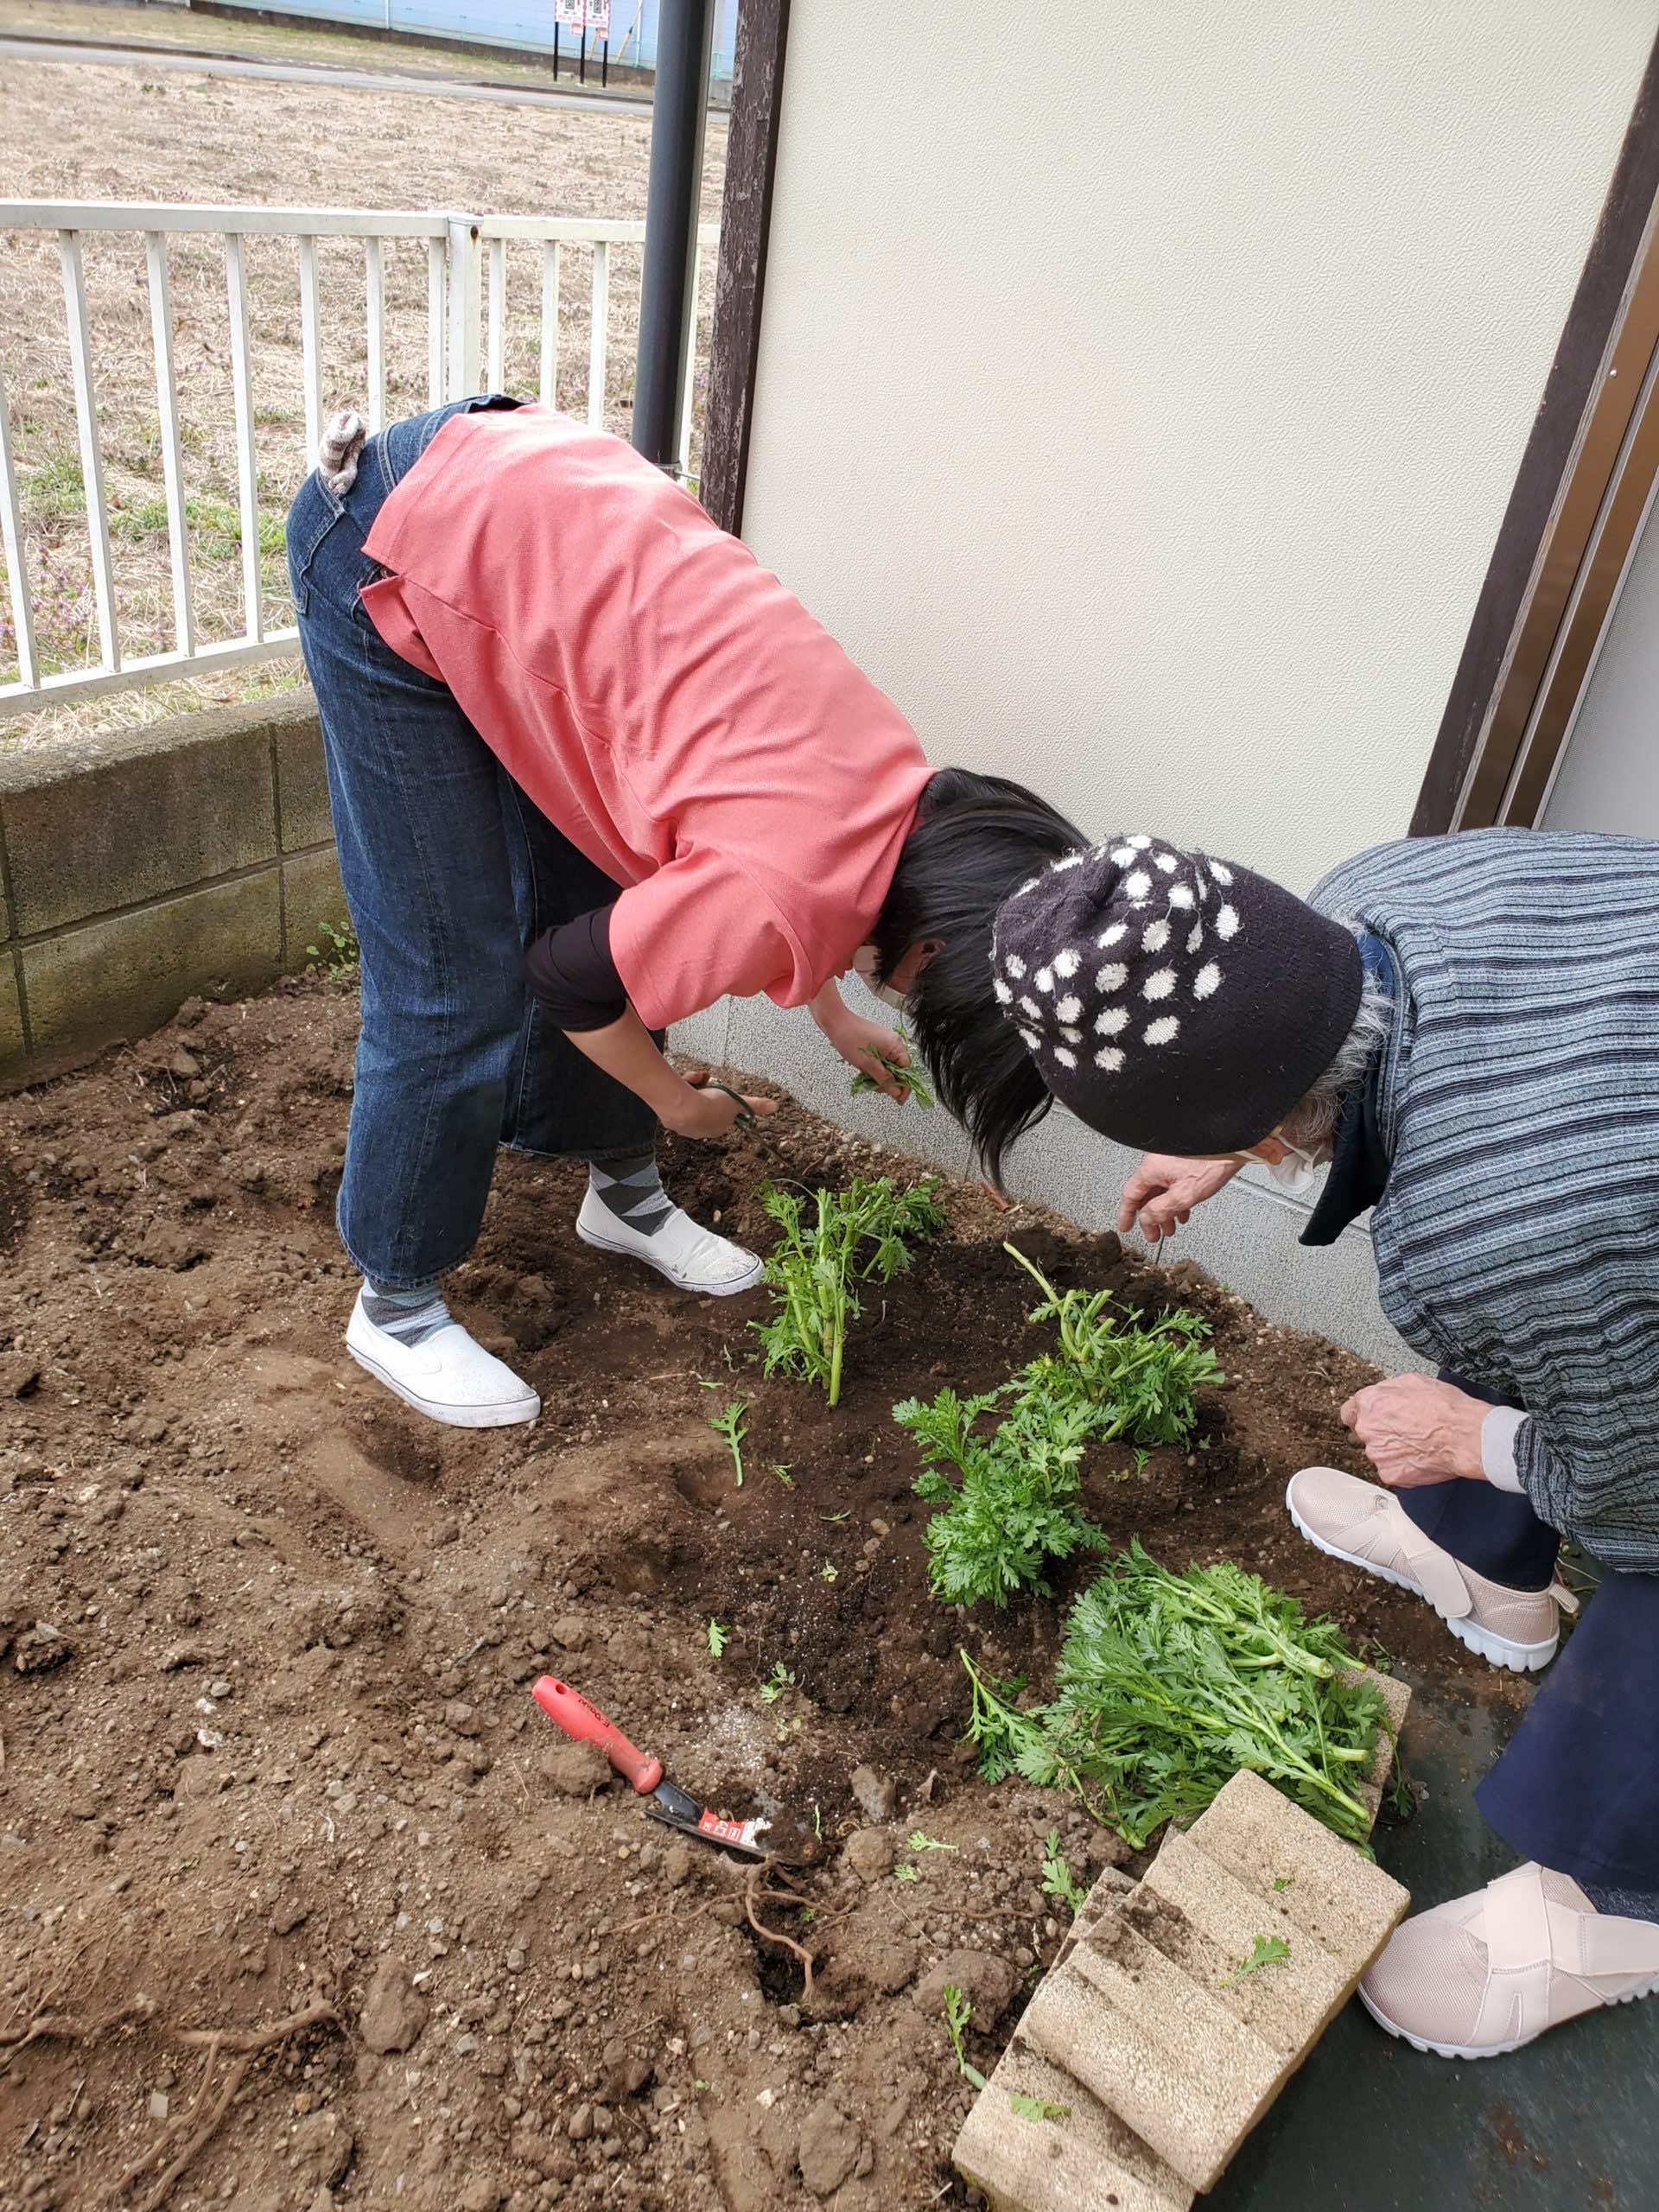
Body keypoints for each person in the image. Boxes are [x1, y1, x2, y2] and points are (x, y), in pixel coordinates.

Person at [987, 827, 1659, 2061]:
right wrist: (1232, 1135)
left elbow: (1646, 1496)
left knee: (1545, 1330)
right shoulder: (1371, 896)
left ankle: (1617, 1902)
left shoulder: (1510, 1220)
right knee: (1548, 1309)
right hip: (1600, 1187)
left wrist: (1481, 1438)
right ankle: (1489, 1572)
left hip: (1600, 1229)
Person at [285, 395, 1084, 1429]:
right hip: (395, 541)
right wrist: (674, 1100)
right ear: (931, 946)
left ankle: (621, 1194)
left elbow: (788, 864)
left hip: (530, 518)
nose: (919, 1009)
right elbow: (574, 980)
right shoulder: (793, 873)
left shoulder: (902, 779)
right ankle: (395, 1305)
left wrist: (836, 1013)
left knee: (604, 890)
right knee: (453, 975)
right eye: (936, 1001)